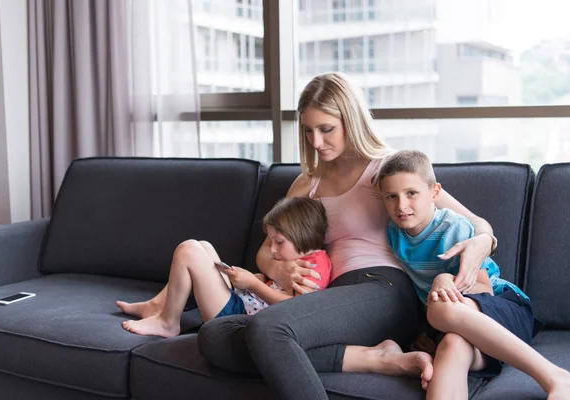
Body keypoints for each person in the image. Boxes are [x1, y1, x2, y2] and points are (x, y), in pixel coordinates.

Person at [197, 71, 498, 400]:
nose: (316, 142)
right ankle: (376, 359)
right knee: (214, 336)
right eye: (308, 131)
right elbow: (266, 250)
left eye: (326, 129)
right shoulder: (305, 184)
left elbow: (477, 224)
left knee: (268, 328)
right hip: (329, 298)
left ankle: (376, 354)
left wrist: (482, 243)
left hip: (384, 291)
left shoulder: (386, 170)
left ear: (351, 121)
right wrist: (277, 269)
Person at [378, 149, 570, 399]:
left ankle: (554, 376)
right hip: (461, 330)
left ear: (434, 193)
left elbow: (484, 290)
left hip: (504, 309)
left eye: (411, 193)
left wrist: (443, 280)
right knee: (451, 346)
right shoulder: (394, 234)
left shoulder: (454, 227)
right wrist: (423, 330)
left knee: (439, 307)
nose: (401, 205)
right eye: (391, 196)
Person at [117, 196, 332, 338]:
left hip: (238, 321)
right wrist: (259, 280)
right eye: (271, 241)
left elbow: (295, 309)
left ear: (303, 236)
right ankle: (156, 307)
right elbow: (280, 290)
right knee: (204, 247)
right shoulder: (299, 256)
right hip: (244, 304)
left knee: (188, 250)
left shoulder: (315, 268)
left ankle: (167, 322)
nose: (272, 250)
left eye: (279, 241)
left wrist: (254, 286)